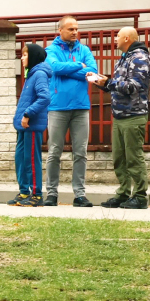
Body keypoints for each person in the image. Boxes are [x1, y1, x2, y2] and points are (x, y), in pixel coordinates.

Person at [89, 27, 150, 209]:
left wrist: (109, 82)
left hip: (134, 115)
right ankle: (123, 193)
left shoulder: (139, 58)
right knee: (119, 158)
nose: (115, 39)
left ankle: (140, 196)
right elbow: (117, 86)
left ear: (126, 38)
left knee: (133, 158)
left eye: (117, 36)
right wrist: (100, 82)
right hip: (119, 115)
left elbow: (134, 86)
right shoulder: (125, 58)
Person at [44, 16, 97, 207]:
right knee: (54, 152)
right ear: (60, 30)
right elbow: (54, 68)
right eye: (70, 29)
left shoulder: (84, 50)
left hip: (81, 107)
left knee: (80, 152)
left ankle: (79, 195)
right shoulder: (50, 50)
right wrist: (79, 66)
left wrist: (70, 70)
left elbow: (93, 70)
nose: (75, 32)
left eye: (76, 29)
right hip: (57, 107)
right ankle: (51, 194)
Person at [7, 44, 52, 207]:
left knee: (31, 160)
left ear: (33, 57)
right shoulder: (31, 74)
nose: (21, 58)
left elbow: (44, 97)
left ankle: (37, 195)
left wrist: (27, 114)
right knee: (21, 159)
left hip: (31, 125)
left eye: (25, 55)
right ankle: (24, 192)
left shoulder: (39, 74)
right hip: (24, 127)